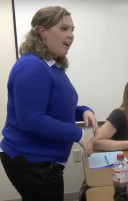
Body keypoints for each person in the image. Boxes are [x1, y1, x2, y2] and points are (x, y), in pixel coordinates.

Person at [0, 6, 98, 201]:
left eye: (72, 29)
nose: (71, 35)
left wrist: (83, 112)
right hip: (31, 160)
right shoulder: (31, 66)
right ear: (42, 31)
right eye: (64, 29)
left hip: (42, 161)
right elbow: (32, 119)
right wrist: (77, 133)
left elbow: (55, 107)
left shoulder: (50, 66)